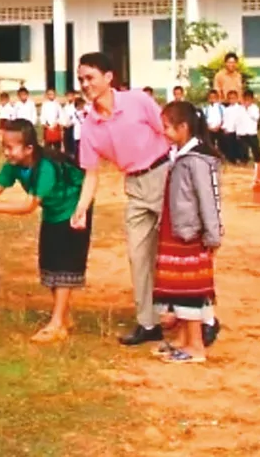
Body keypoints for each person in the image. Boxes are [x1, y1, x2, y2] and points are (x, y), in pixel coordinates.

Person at [69, 52, 171, 347]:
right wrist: (81, 209)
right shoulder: (88, 126)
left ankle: (203, 318)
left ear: (108, 77)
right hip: (135, 187)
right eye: (81, 79)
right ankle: (148, 322)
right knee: (138, 254)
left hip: (165, 175)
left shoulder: (138, 100)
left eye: (90, 77)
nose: (85, 84)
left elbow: (167, 131)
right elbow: (91, 173)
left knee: (180, 250)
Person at [0, 120, 89, 344]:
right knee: (49, 262)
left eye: (10, 147)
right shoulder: (11, 166)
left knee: (65, 264)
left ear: (29, 148)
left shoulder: (46, 167)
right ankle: (64, 317)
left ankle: (57, 323)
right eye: (4, 146)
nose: (6, 152)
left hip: (73, 208)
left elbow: (28, 206)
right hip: (52, 212)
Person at [152, 101, 223, 364]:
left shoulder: (199, 160)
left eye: (167, 128)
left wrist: (213, 234)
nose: (164, 133)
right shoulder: (180, 156)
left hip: (191, 235)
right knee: (177, 287)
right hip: (176, 231)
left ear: (183, 128)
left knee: (190, 289)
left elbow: (209, 198)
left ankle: (195, 346)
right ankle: (183, 338)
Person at [237, 89, 260, 164]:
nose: (247, 101)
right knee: (243, 148)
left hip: (251, 131)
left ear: (252, 99)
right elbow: (238, 120)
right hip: (242, 131)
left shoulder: (255, 108)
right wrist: (238, 131)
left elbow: (256, 117)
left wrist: (248, 109)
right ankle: (244, 160)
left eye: (249, 99)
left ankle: (258, 160)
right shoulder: (240, 108)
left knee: (255, 147)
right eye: (245, 99)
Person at [221, 90, 244, 165]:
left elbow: (241, 120)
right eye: (230, 98)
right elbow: (225, 119)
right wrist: (224, 127)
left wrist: (240, 130)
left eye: (233, 98)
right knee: (230, 145)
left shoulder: (241, 108)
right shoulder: (226, 109)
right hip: (229, 130)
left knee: (238, 145)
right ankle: (232, 159)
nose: (232, 100)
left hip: (238, 130)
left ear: (237, 98)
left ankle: (240, 159)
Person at [203, 90, 224, 159]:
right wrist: (209, 127)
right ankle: (212, 156)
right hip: (209, 129)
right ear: (208, 99)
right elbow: (204, 119)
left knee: (221, 144)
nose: (212, 99)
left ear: (217, 98)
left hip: (219, 128)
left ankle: (221, 156)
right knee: (210, 144)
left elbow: (224, 118)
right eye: (210, 97)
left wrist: (219, 126)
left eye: (214, 97)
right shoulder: (206, 109)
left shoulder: (221, 108)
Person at [60, 91, 78, 158]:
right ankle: (67, 157)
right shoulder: (65, 106)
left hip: (73, 127)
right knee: (66, 143)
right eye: (68, 96)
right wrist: (63, 124)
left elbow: (76, 116)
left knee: (73, 144)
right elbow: (62, 116)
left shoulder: (76, 105)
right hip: (66, 127)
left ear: (74, 96)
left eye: (71, 96)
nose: (69, 97)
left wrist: (71, 123)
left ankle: (74, 157)